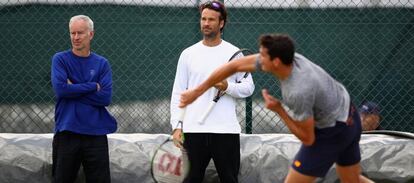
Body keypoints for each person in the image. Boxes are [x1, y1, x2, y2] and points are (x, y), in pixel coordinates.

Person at [179, 34, 374, 183]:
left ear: (276, 62)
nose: (258, 59)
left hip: (333, 131)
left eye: (263, 55)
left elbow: (308, 139)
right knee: (352, 179)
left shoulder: (298, 90)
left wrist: (279, 109)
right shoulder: (289, 58)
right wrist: (197, 91)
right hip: (351, 115)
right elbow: (234, 66)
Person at [170, 1, 255, 183]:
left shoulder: (234, 53)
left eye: (211, 19)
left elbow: (248, 87)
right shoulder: (188, 54)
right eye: (203, 19)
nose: (206, 23)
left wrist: (227, 87)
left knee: (229, 179)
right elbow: (178, 92)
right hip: (193, 131)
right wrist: (177, 126)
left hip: (225, 132)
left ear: (221, 23)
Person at [51, 15, 117, 183]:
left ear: (91, 34)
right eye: (72, 33)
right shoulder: (60, 59)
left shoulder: (102, 63)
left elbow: (105, 98)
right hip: (67, 132)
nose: (76, 37)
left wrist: (73, 88)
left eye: (80, 33)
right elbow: (61, 90)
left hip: (96, 134)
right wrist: (91, 86)